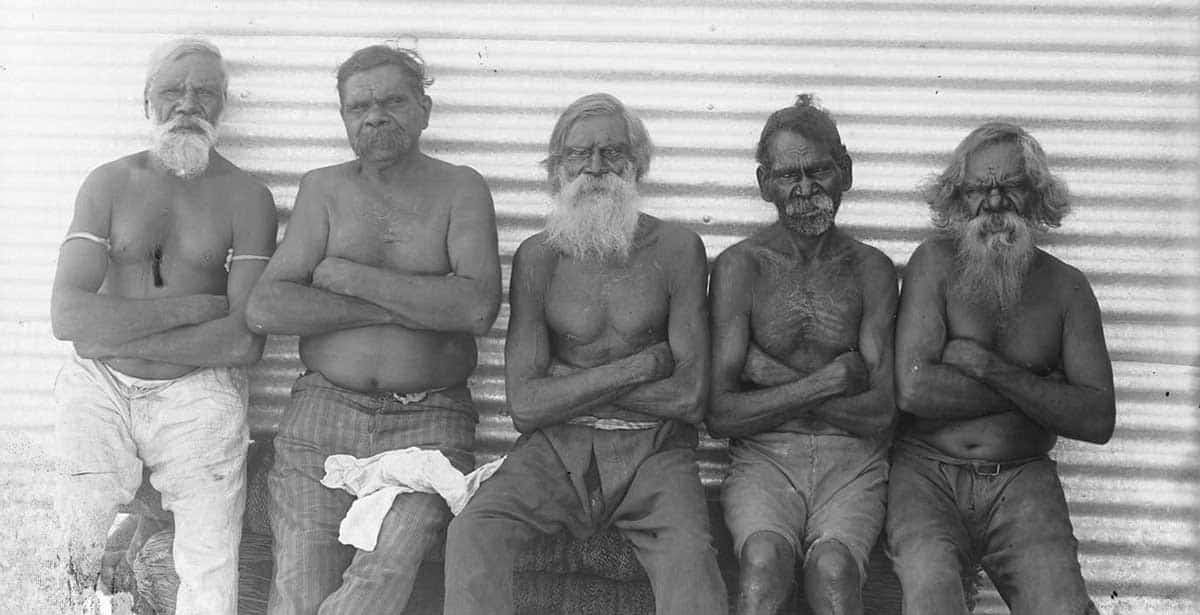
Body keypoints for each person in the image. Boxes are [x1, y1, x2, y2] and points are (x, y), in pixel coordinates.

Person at [443, 93, 727, 615]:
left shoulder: (677, 249)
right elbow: (526, 406)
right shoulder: (538, 257)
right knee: (473, 531)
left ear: (637, 164)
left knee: (691, 559)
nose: (595, 168)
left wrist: (568, 386)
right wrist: (640, 366)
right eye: (578, 155)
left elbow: (689, 397)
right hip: (555, 449)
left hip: (657, 449)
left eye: (612, 153)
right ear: (557, 170)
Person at [244, 44, 501, 615]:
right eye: (358, 106)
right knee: (299, 580)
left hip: (429, 420)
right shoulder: (323, 189)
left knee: (385, 569)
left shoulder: (461, 188)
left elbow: (476, 309)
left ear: (424, 109)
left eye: (392, 101)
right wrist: (404, 306)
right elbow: (266, 307)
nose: (375, 116)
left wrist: (348, 276)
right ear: (343, 118)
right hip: (321, 415)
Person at [50, 38, 278, 615]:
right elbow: (69, 318)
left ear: (223, 105)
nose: (187, 103)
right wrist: (192, 307)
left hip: (199, 388)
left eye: (205, 92)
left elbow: (242, 341)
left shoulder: (248, 197)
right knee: (72, 536)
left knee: (209, 554)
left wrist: (114, 328)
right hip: (99, 383)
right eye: (172, 90)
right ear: (146, 102)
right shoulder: (108, 183)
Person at [888, 121, 1114, 615]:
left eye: (1009, 187)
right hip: (926, 475)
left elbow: (1097, 419)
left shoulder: (1067, 288)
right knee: (931, 599)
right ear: (956, 197)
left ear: (1036, 196)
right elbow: (914, 391)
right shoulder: (931, 264)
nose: (993, 204)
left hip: (1022, 479)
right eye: (977, 189)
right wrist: (1041, 393)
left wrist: (985, 366)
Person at [706, 95, 897, 615]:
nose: (805, 188)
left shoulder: (871, 271)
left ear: (846, 172)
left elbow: (881, 413)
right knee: (764, 562)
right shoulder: (740, 268)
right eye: (789, 175)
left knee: (834, 573)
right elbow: (721, 414)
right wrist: (829, 380)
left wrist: (770, 375)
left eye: (819, 170)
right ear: (764, 182)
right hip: (764, 457)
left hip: (853, 460)